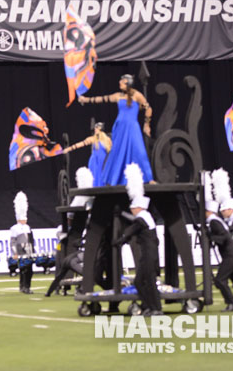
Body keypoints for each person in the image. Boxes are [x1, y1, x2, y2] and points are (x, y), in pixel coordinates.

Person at [78, 74, 155, 185]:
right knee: (117, 152)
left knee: (138, 150)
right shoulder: (118, 96)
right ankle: (115, 179)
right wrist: (86, 99)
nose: (120, 83)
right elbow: (102, 99)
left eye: (122, 81)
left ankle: (148, 178)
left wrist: (146, 124)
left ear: (128, 83)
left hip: (132, 127)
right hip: (120, 128)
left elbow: (148, 108)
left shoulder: (137, 95)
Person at [113, 164, 162, 316]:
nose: (132, 210)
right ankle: (147, 305)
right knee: (139, 282)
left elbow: (131, 230)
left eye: (134, 208)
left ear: (139, 207)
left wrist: (119, 241)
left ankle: (156, 308)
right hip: (147, 254)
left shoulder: (142, 219)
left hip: (148, 255)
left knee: (149, 281)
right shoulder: (145, 217)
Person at [64, 123, 113, 187]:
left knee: (102, 177)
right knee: (94, 177)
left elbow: (111, 151)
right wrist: (69, 148)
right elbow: (81, 144)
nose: (95, 130)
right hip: (95, 161)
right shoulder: (93, 138)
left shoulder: (107, 139)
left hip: (104, 161)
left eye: (96, 128)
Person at [10, 192, 35, 294]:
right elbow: (12, 242)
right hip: (20, 251)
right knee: (23, 269)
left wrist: (33, 250)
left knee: (30, 269)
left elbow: (31, 240)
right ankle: (23, 286)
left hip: (28, 250)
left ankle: (27, 286)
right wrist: (15, 253)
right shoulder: (14, 228)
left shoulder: (28, 227)